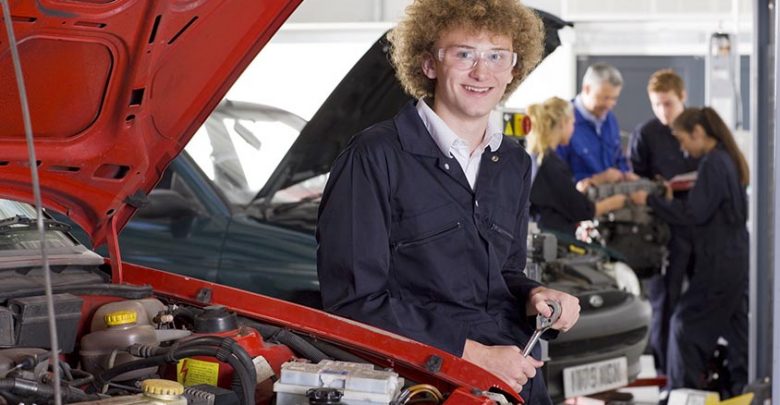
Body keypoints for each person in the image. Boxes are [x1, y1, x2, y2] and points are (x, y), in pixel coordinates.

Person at [316, 1, 580, 402]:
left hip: (513, 375)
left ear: (514, 68)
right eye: (464, 54)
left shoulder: (512, 162)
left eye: (496, 56)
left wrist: (535, 295)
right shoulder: (375, 155)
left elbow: (503, 271)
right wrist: (473, 354)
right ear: (428, 64)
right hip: (422, 382)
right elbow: (353, 302)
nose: (482, 72)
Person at [630, 107, 749, 397]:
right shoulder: (727, 159)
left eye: (684, 141)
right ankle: (740, 389)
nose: (682, 150)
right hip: (735, 260)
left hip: (719, 263)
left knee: (683, 326)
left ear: (699, 133)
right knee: (737, 331)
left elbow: (694, 213)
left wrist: (651, 201)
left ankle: (683, 394)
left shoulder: (713, 163)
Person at [628, 69, 700, 375]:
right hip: (661, 232)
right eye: (656, 104)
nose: (662, 111)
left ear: (682, 97)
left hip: (700, 229)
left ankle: (694, 368)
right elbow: (635, 178)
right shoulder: (646, 134)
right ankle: (663, 373)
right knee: (663, 303)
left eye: (667, 104)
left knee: (700, 301)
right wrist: (653, 187)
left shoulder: (700, 129)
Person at [527, 97, 627, 236]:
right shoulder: (550, 164)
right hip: (553, 239)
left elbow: (560, 199)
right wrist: (616, 202)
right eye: (572, 123)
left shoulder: (535, 158)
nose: (573, 129)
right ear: (563, 124)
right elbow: (582, 211)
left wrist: (589, 185)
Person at [557, 63, 637, 183]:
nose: (610, 105)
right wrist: (597, 180)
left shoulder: (610, 120)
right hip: (577, 199)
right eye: (605, 98)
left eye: (614, 98)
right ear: (587, 89)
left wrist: (626, 174)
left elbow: (618, 157)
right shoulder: (562, 122)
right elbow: (555, 178)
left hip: (610, 196)